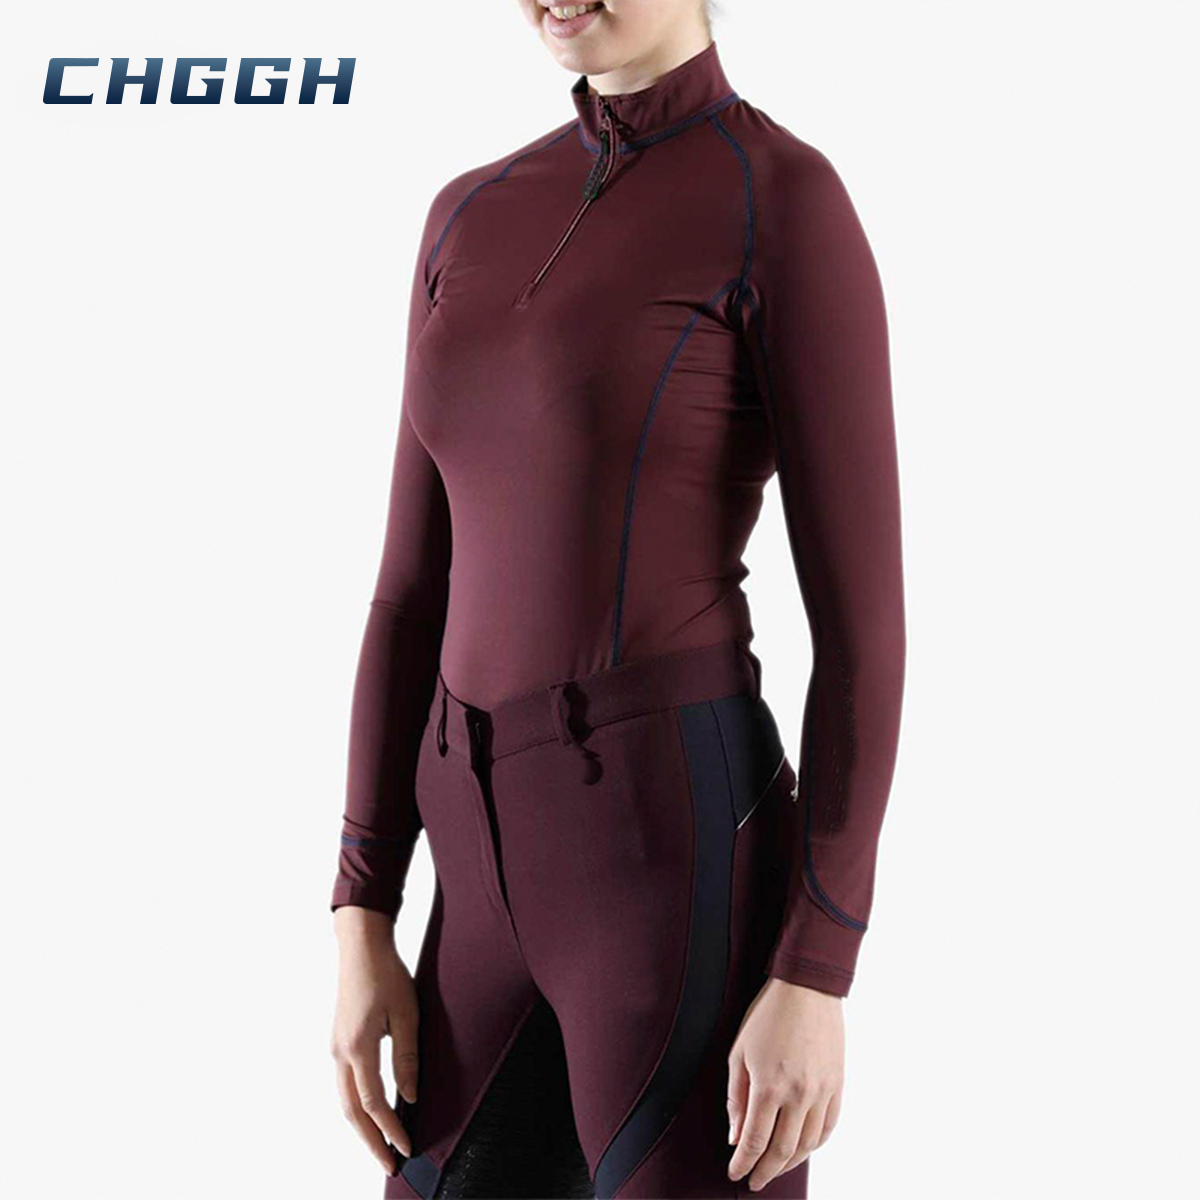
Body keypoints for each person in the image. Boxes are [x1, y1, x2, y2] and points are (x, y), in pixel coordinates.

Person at [330, 1, 905, 1196]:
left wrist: (817, 967)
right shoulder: (469, 211)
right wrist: (361, 910)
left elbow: (864, 635)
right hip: (474, 882)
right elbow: (408, 594)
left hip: (669, 871)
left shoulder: (780, 201)